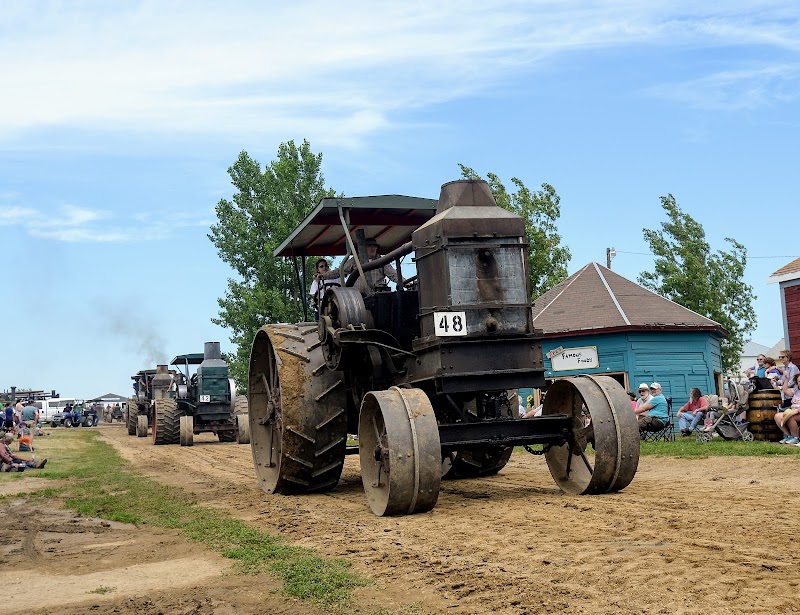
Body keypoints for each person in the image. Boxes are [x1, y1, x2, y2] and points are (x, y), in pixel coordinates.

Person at [323, 238, 398, 296]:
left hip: (377, 295)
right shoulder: (355, 260)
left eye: (374, 246)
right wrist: (324, 276)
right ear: (363, 248)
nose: (373, 248)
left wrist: (404, 282)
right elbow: (340, 271)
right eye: (370, 246)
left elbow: (393, 274)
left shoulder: (382, 261)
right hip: (358, 298)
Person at [776, 379, 800, 445]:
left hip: (798, 412)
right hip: (793, 410)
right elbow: (785, 390)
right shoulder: (796, 390)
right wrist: (786, 379)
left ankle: (795, 437)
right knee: (777, 416)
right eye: (799, 381)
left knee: (790, 417)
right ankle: (788, 436)